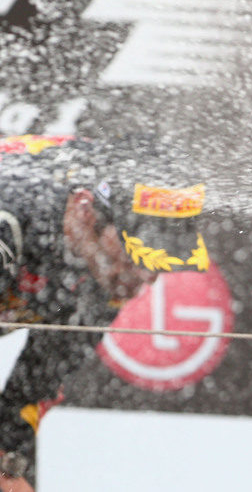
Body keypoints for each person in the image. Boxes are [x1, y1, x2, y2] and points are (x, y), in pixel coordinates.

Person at [0, 134, 210, 491]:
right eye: (135, 255)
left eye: (161, 263)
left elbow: (28, 394)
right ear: (84, 210)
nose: (146, 277)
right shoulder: (12, 218)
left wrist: (9, 463)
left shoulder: (108, 276)